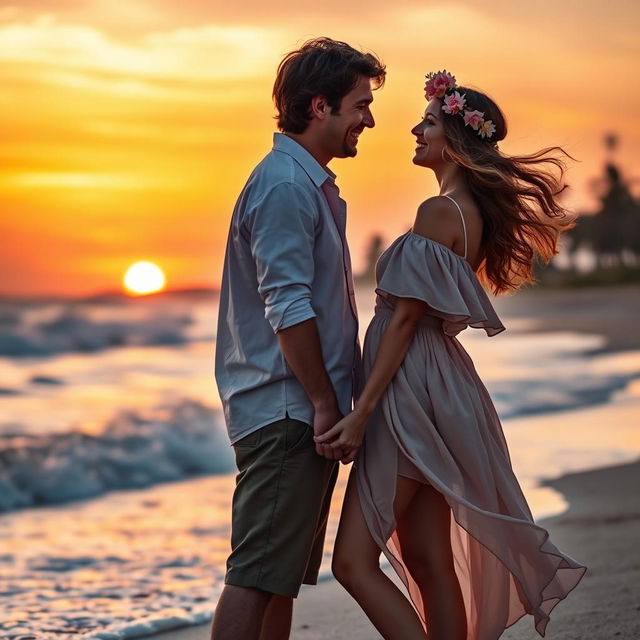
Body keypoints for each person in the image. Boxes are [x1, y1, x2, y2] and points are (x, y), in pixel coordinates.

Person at [315, 70, 587, 639]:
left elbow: (408, 319)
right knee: (428, 559)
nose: (416, 129)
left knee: (352, 564)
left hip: (408, 388)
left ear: (457, 141)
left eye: (430, 123)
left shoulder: (439, 212)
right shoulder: (468, 213)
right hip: (440, 384)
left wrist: (362, 412)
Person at [212, 38, 385, 640]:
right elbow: (287, 305)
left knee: (278, 578)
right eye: (360, 104)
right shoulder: (286, 186)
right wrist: (321, 403)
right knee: (256, 575)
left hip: (298, 408)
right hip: (289, 408)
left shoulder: (307, 184)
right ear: (320, 106)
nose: (369, 117)